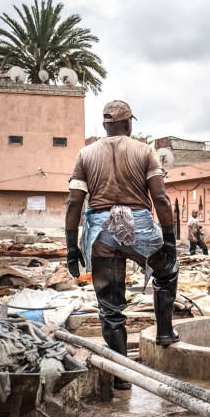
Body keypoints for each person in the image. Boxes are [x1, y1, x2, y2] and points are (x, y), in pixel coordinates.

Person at [65, 100, 179, 390]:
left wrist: (71, 247)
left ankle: (121, 377)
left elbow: (74, 203)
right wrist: (169, 243)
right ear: (129, 125)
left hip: (101, 234)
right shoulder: (145, 151)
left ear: (105, 125)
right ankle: (165, 333)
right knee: (167, 272)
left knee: (110, 307)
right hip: (139, 229)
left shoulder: (85, 154)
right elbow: (162, 199)